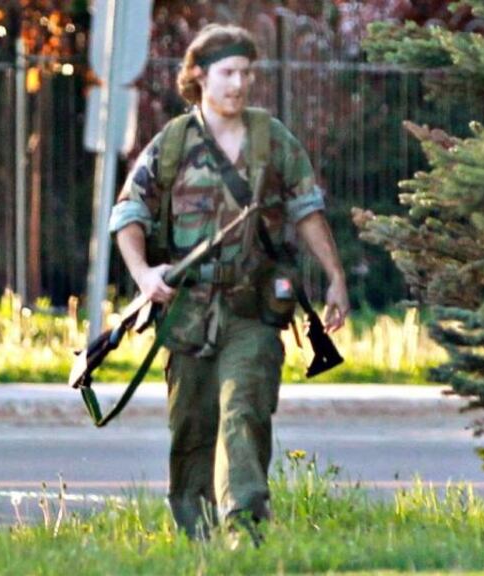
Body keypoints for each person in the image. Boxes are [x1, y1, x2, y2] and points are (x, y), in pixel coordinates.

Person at [108, 23, 349, 541]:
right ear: (199, 76)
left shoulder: (271, 138)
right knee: (192, 427)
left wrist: (335, 276)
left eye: (246, 73)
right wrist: (143, 275)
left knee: (245, 412)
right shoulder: (173, 142)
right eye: (228, 73)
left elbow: (308, 210)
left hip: (253, 309)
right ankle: (196, 536)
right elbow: (128, 212)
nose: (239, 84)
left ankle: (245, 531)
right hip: (187, 312)